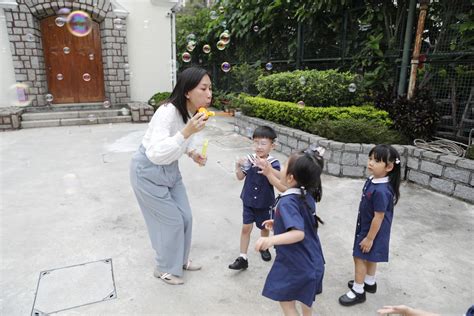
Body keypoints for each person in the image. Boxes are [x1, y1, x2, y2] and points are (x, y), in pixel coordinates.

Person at [129, 67, 212, 285]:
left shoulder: (193, 113)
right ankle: (164, 269)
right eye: (203, 88)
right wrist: (187, 132)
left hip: (171, 169)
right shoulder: (166, 111)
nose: (209, 93)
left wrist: (193, 153)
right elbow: (156, 153)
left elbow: (185, 143)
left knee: (186, 217)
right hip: (147, 171)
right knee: (171, 222)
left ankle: (180, 260)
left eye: (210, 88)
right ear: (187, 91)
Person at [254, 148, 325, 316]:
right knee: (306, 299)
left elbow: (298, 233)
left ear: (291, 177)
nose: (282, 168)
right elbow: (304, 221)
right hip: (313, 260)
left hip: (296, 264)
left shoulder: (288, 202)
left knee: (286, 301)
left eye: (284, 165)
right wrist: (278, 222)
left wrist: (271, 240)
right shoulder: (306, 193)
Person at [339, 144, 401, 306]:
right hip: (368, 226)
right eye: (370, 158)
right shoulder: (373, 180)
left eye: (376, 160)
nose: (371, 163)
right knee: (370, 256)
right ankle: (370, 282)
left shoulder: (382, 190)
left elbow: (379, 217)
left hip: (372, 230)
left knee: (359, 257)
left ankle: (358, 291)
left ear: (389, 167)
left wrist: (369, 238)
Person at [228, 126, 280, 270]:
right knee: (246, 228)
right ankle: (242, 257)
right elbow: (239, 177)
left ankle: (264, 247)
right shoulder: (249, 160)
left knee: (264, 227)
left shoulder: (274, 163)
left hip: (265, 203)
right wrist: (237, 165)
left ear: (272, 146)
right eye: (256, 142)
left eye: (263, 143)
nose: (258, 146)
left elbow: (276, 182)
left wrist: (267, 170)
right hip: (248, 201)